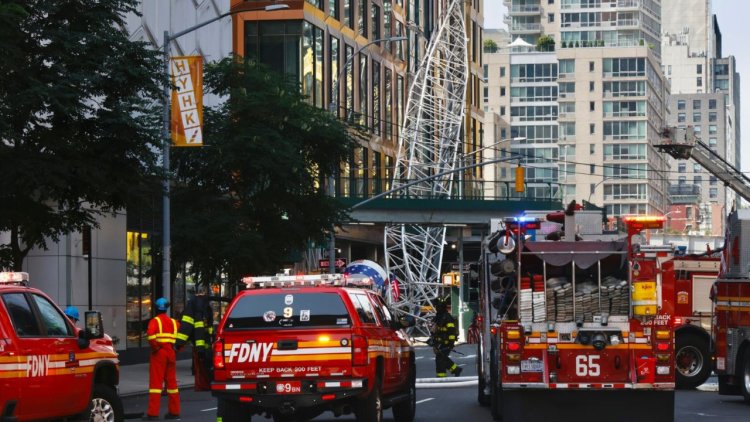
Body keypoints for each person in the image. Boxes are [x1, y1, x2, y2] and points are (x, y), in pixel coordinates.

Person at [144, 297, 180, 420]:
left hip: (159, 354)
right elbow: (182, 338)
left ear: (156, 308)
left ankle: (153, 414)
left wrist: (156, 348)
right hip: (171, 354)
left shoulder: (155, 321)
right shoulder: (174, 323)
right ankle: (174, 412)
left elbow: (150, 335)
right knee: (172, 384)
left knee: (156, 384)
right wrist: (177, 349)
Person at [175, 285, 213, 391]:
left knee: (200, 365)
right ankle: (206, 384)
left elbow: (186, 328)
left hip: (199, 343)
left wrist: (178, 344)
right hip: (205, 343)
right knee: (204, 365)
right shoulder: (205, 308)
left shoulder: (193, 306)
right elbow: (206, 327)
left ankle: (203, 385)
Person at [430, 296, 462, 377]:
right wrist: (433, 340)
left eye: (437, 306)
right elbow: (435, 330)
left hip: (446, 343)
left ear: (440, 306)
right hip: (440, 342)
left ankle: (441, 376)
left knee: (440, 359)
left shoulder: (446, 317)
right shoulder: (439, 316)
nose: (436, 307)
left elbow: (451, 331)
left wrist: (450, 343)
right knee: (442, 358)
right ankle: (456, 369)